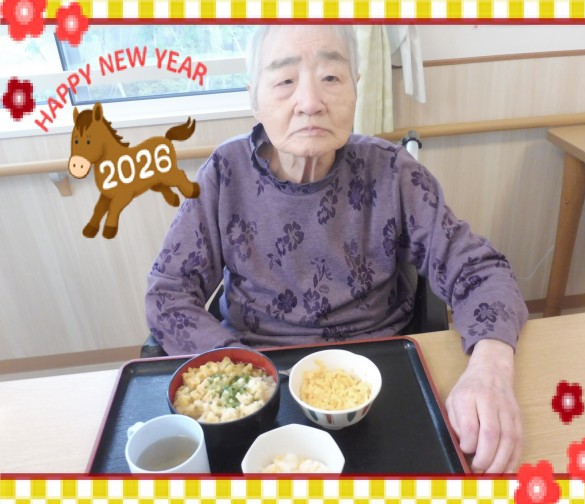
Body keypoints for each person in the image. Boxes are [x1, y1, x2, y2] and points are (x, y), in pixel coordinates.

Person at [145, 25, 528, 473]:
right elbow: (168, 293)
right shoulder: (225, 174)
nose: (310, 102)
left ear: (355, 88)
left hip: (377, 377)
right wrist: (243, 371)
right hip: (259, 388)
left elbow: (480, 271)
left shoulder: (393, 171)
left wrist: (490, 372)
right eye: (285, 80)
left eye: (331, 77)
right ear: (254, 98)